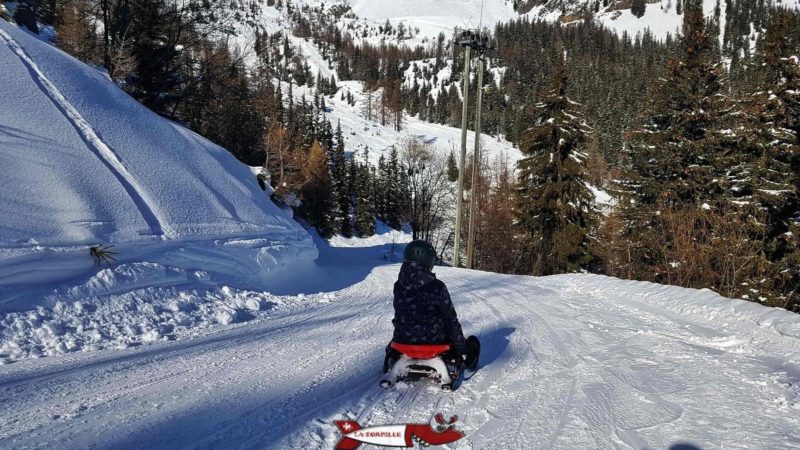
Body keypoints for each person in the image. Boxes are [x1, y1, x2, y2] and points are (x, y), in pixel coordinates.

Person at [388, 240, 479, 370]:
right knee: (473, 342)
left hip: (403, 340)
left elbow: (401, 314)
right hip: (434, 342)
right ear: (429, 260)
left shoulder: (398, 285)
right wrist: (462, 347)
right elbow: (450, 320)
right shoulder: (437, 287)